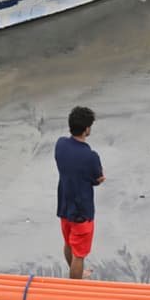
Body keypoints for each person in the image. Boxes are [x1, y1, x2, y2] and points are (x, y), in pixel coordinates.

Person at [55, 106, 105, 279]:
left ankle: (74, 271)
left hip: (64, 206)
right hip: (81, 211)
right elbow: (98, 178)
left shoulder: (60, 144)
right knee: (79, 254)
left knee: (68, 243)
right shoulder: (90, 156)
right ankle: (75, 285)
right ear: (87, 129)